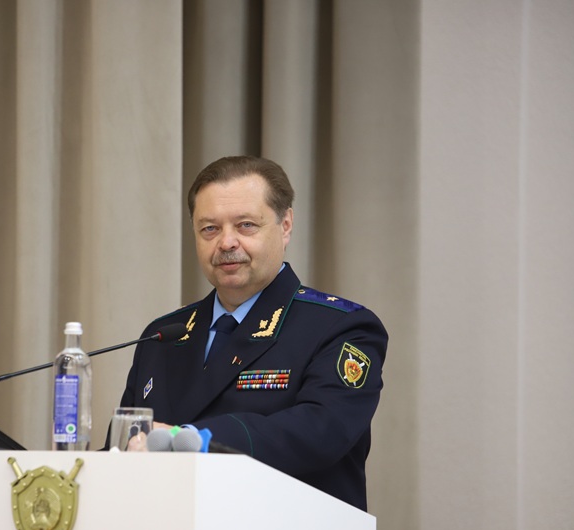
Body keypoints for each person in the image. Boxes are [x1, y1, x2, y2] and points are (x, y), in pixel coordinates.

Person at [118, 155, 388, 511]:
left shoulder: (341, 328)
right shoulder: (162, 336)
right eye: (209, 229)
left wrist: (194, 440)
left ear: (285, 226)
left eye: (245, 225)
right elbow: (124, 448)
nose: (226, 242)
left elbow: (320, 431)